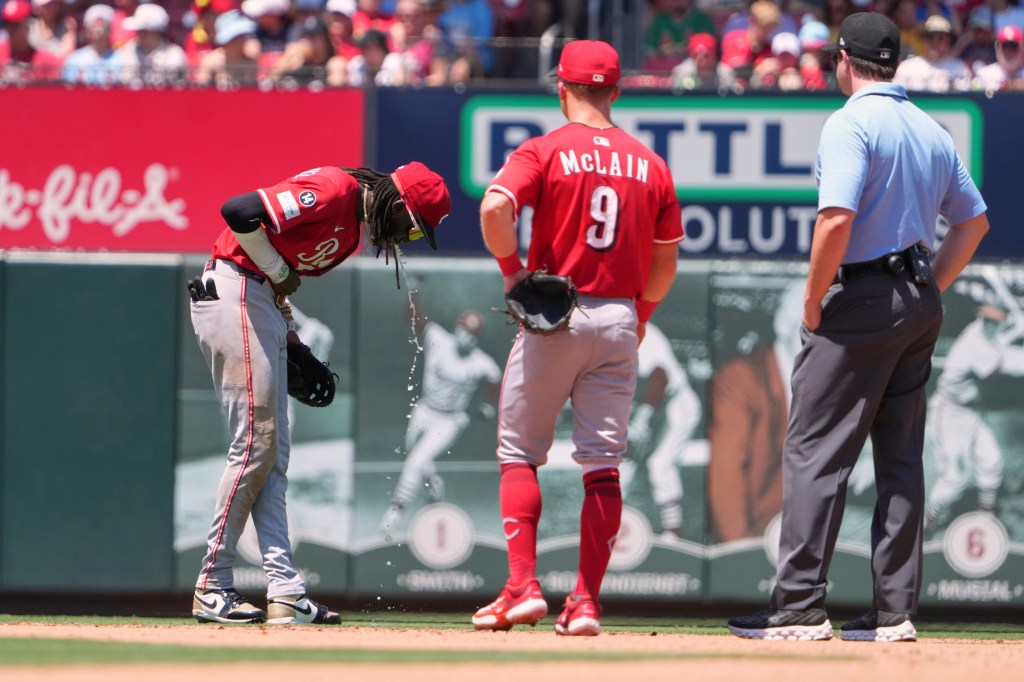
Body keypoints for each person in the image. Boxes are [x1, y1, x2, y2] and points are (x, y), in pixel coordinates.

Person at [728, 12, 989, 642]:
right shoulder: (931, 128)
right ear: (893, 61)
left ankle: (797, 605)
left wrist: (814, 299)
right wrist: (927, 286)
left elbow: (835, 219)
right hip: (916, 295)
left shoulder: (850, 122)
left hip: (862, 296)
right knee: (899, 458)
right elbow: (974, 223)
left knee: (813, 449)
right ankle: (895, 611)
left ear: (844, 59)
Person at [473, 40, 684, 637]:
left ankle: (521, 588)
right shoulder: (651, 162)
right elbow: (666, 264)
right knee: (603, 464)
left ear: (561, 88)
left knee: (519, 453)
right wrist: (641, 314)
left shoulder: (545, 148)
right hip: (619, 316)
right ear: (615, 91)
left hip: (556, 315)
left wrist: (513, 272)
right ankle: (586, 602)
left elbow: (494, 207)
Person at [187, 161, 450, 624]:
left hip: (259, 299)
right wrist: (275, 274)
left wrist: (290, 336)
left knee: (273, 454)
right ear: (399, 202)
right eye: (413, 229)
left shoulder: (351, 231)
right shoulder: (334, 189)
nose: (407, 239)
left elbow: (277, 279)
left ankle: (285, 589)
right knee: (255, 444)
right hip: (234, 290)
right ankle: (213, 583)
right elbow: (239, 212)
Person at [379, 305, 502, 532]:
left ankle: (397, 510)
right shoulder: (438, 338)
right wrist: (414, 291)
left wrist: (488, 404)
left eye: (473, 334)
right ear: (457, 328)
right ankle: (432, 482)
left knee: (415, 461)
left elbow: (496, 378)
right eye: (465, 330)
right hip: (424, 410)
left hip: (449, 421)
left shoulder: (480, 361)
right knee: (416, 457)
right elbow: (413, 319)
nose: (467, 337)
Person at [708, 279, 802, 543]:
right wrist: (741, 555)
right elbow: (726, 477)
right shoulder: (741, 378)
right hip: (756, 538)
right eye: (813, 322)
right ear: (784, 324)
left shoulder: (825, 379)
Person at [925, 299, 1024, 529]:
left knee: (991, 462)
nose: (987, 324)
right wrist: (1016, 327)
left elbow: (1000, 340)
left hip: (973, 413)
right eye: (985, 318)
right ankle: (927, 521)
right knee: (954, 479)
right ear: (979, 317)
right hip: (950, 414)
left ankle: (985, 516)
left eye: (994, 320)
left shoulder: (986, 334)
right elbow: (1011, 362)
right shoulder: (974, 344)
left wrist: (1016, 325)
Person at [621, 321, 701, 539]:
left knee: (660, 464)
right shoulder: (607, 330)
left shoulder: (639, 329)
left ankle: (673, 532)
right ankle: (613, 527)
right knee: (622, 465)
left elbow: (660, 377)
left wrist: (642, 418)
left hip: (676, 404)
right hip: (649, 405)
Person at [894, 14, 972, 91]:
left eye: (940, 38)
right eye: (930, 37)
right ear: (923, 40)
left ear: (948, 42)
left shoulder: (960, 68)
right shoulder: (907, 68)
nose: (934, 43)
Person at [117, 3, 189, 87]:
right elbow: (124, 83)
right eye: (139, 30)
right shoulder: (130, 50)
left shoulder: (174, 54)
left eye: (143, 30)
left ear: (155, 31)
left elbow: (179, 91)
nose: (138, 34)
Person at [643, 0, 716, 72]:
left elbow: (710, 53)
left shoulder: (701, 19)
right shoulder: (660, 20)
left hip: (693, 71)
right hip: (664, 71)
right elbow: (650, 52)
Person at [0, 0, 62, 82]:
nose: (10, 29)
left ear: (28, 25)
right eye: (7, 23)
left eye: (15, 25)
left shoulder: (44, 60)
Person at [196, 8, 260, 86]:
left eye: (243, 35)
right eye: (237, 37)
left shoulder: (250, 62)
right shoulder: (211, 63)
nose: (242, 40)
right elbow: (201, 93)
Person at [61, 3, 123, 85]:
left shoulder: (120, 59)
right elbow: (67, 87)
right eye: (93, 25)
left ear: (109, 30)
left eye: (102, 26)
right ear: (86, 30)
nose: (98, 29)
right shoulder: (74, 59)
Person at [973, 24, 1023, 89]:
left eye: (1013, 46)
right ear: (997, 49)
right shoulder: (984, 75)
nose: (1009, 51)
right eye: (1005, 47)